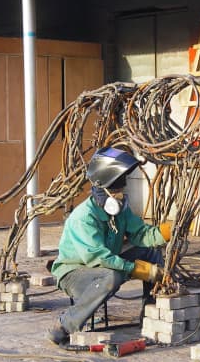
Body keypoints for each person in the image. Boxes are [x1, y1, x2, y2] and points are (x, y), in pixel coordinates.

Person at [47, 146, 171, 345]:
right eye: (116, 191)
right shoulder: (84, 217)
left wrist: (165, 233)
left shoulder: (120, 211)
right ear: (101, 189)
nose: (120, 195)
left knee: (150, 253)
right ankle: (64, 325)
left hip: (106, 266)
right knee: (112, 275)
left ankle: (151, 314)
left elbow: (141, 234)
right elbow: (99, 257)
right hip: (74, 273)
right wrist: (136, 269)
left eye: (121, 190)